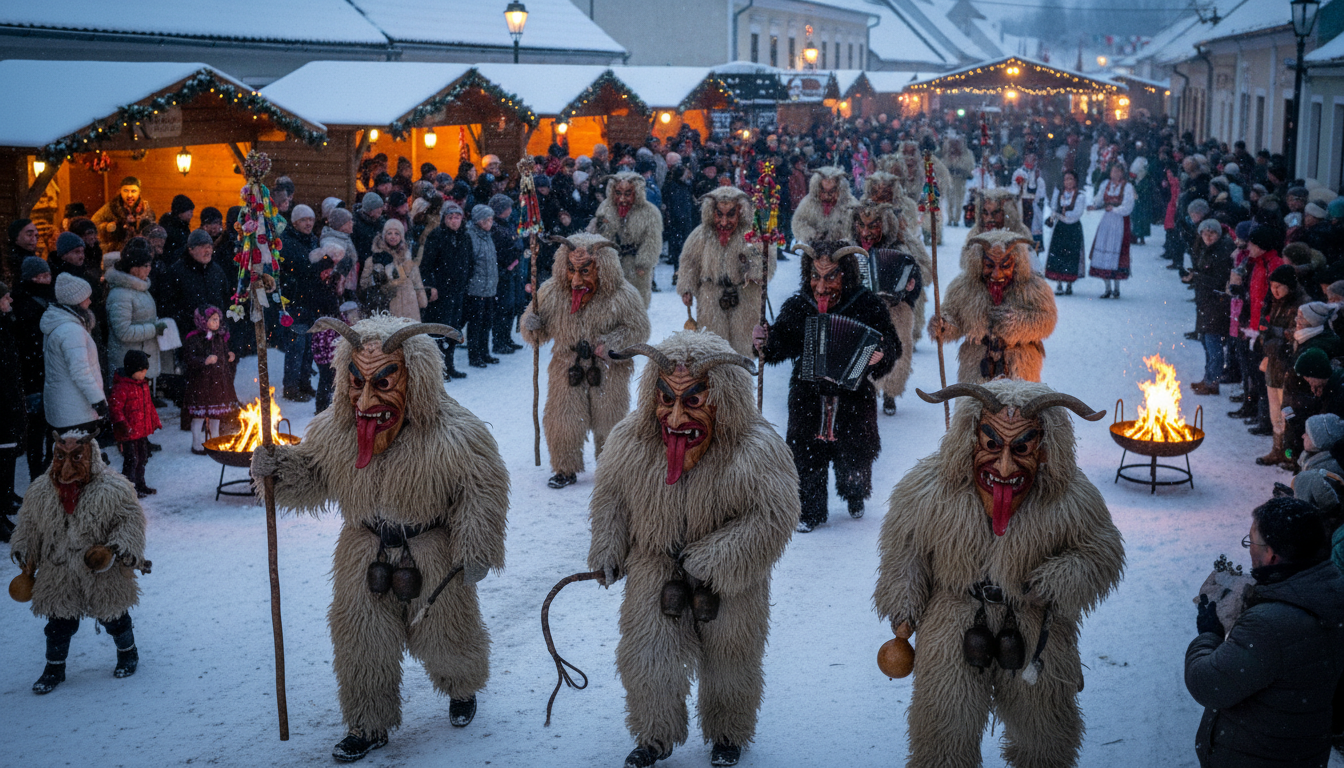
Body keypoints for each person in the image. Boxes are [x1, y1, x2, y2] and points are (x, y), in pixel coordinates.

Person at [250, 316, 507, 763]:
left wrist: (476, 548)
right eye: (356, 382)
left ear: (416, 380)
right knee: (361, 641)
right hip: (363, 551)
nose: (366, 399)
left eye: (384, 382)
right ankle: (367, 723)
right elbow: (312, 475)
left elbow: (481, 491)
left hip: (432, 550)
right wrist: (278, 470)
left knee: (446, 635)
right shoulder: (335, 430)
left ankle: (461, 686)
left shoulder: (457, 434)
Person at [875, 381, 1124, 768]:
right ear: (969, 438)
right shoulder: (929, 489)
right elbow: (905, 550)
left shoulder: (1070, 497)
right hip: (952, 622)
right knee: (943, 732)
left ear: (1046, 448)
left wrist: (1056, 580)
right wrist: (904, 603)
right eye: (992, 444)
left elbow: (1101, 552)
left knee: (1044, 735)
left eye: (1022, 448)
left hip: (1034, 627)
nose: (1005, 466)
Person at [588, 332, 799, 768]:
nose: (676, 416)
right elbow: (611, 500)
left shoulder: (756, 448)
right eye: (666, 399)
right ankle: (654, 734)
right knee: (647, 654)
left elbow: (772, 517)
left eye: (694, 400)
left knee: (731, 658)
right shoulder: (630, 441)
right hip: (655, 565)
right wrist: (608, 547)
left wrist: (717, 557)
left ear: (725, 399)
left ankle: (728, 733)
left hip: (731, 581)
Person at [1186, 497, 1344, 768]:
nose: (1249, 549)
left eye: (1251, 541)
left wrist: (1208, 634)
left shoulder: (1269, 625)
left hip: (1253, 757)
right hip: (1303, 752)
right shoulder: (1333, 592)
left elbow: (1206, 684)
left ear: (1271, 555)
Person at [757, 242, 899, 531]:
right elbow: (780, 344)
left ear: (846, 274)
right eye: (815, 276)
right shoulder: (800, 305)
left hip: (854, 395)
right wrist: (765, 341)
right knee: (806, 453)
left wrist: (881, 355)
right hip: (807, 394)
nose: (821, 287)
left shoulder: (867, 304)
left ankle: (854, 492)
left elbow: (892, 344)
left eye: (831, 277)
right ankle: (809, 510)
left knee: (855, 453)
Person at [10, 431, 147, 695]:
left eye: (76, 457)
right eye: (60, 457)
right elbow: (29, 524)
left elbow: (130, 521)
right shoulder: (41, 491)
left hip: (101, 569)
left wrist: (114, 548)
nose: (66, 467)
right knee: (58, 621)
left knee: (114, 615)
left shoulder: (113, 489)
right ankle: (54, 668)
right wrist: (25, 551)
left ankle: (128, 652)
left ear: (91, 456)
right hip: (58, 567)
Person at [520, 234, 651, 489]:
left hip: (609, 368)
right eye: (571, 270)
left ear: (603, 269)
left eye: (585, 271)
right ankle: (564, 468)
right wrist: (531, 325)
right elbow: (537, 334)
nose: (576, 280)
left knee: (610, 420)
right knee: (563, 419)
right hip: (566, 365)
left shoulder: (622, 294)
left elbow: (639, 329)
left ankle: (611, 467)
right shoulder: (551, 292)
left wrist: (611, 343)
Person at [930, 230, 1057, 383]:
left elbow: (1047, 320)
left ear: (1017, 263)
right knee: (975, 398)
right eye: (989, 265)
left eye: (1005, 266)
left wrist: (1014, 322)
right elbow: (952, 317)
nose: (996, 274)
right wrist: (943, 326)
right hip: (976, 365)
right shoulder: (963, 288)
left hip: (1020, 366)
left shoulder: (1034, 287)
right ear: (979, 263)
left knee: (1017, 398)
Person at [675, 187, 772, 357]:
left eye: (731, 214)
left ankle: (742, 372)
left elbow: (766, 262)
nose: (724, 222)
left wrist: (755, 270)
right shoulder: (701, 235)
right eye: (719, 214)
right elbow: (689, 262)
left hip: (745, 299)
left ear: (740, 212)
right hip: (711, 299)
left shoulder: (752, 235)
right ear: (711, 212)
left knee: (743, 350)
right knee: (712, 352)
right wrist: (687, 287)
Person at [41, 273, 108, 437]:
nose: (90, 301)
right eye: (87, 298)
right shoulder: (71, 331)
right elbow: (80, 371)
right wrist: (98, 400)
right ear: (76, 301)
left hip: (64, 407)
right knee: (78, 451)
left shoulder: (59, 324)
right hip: (75, 411)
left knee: (62, 450)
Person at [1257, 265, 1308, 468]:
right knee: (1275, 412)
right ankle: (1277, 449)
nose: (1274, 290)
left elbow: (1297, 333)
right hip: (1274, 364)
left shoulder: (1302, 304)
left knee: (1289, 414)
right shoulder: (1275, 302)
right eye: (1272, 286)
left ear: (1289, 286)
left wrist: (1275, 333)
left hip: (1289, 367)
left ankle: (1290, 453)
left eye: (1279, 286)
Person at [588, 171, 663, 307]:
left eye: (628, 194)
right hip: (611, 265)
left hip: (634, 265)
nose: (622, 198)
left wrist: (644, 263)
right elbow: (597, 235)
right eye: (618, 193)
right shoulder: (606, 207)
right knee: (609, 305)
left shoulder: (650, 212)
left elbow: (652, 241)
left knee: (635, 304)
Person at [418, 202, 472, 380]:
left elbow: (470, 262)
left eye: (457, 217)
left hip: (458, 290)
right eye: (450, 217)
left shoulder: (465, 237)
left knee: (453, 330)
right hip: (441, 291)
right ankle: (437, 368)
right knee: (439, 330)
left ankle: (449, 365)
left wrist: (466, 281)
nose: (454, 221)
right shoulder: (436, 236)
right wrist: (431, 286)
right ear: (444, 219)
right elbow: (426, 265)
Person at [1185, 219, 1235, 395]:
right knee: (1207, 342)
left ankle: (1212, 381)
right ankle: (1208, 378)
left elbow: (1219, 281)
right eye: (1205, 234)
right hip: (1207, 302)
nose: (1208, 237)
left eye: (1212, 233)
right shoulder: (1206, 249)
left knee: (1213, 343)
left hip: (1217, 303)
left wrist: (1197, 276)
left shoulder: (1221, 252)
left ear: (1218, 234)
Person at [14, 257, 53, 478]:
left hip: (43, 369)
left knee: (47, 424)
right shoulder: (25, 304)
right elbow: (27, 341)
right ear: (33, 277)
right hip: (34, 372)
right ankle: (37, 473)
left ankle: (46, 465)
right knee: (37, 426)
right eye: (43, 276)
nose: (48, 279)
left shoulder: (45, 300)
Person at [280, 204, 322, 402]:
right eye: (304, 220)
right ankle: (291, 387)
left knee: (309, 347)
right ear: (295, 222)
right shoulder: (287, 242)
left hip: (312, 300)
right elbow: (301, 267)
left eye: (311, 220)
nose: (308, 223)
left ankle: (304, 383)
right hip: (295, 300)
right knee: (296, 346)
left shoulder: (313, 241)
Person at [182, 306, 237, 455]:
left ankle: (215, 440)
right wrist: (204, 361)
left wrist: (229, 355)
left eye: (218, 320)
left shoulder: (220, 337)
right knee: (199, 416)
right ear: (203, 320)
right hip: (201, 383)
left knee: (216, 414)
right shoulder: (195, 338)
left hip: (217, 383)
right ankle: (197, 443)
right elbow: (189, 358)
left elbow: (223, 353)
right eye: (213, 319)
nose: (216, 322)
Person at [109, 349, 160, 498]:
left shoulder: (143, 385)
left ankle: (140, 484)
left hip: (141, 432)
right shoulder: (122, 387)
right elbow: (115, 408)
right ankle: (128, 489)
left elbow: (148, 406)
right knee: (131, 460)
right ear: (132, 370)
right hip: (128, 433)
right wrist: (122, 424)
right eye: (141, 371)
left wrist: (154, 422)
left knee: (142, 457)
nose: (144, 374)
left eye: (145, 371)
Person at [1088, 162, 1135, 299]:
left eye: (1117, 172)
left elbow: (1128, 206)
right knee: (1104, 249)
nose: (1114, 174)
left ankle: (1117, 287)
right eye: (1113, 171)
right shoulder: (1106, 184)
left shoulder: (1127, 187)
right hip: (1107, 221)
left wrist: (1115, 209)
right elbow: (1099, 199)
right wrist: (1095, 206)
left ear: (1122, 173)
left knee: (1116, 252)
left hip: (1120, 221)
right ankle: (1107, 287)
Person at [0, 279, 24, 537]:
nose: (10, 300)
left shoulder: (5, 325)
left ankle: (5, 501)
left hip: (9, 400)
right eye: (5, 297)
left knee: (7, 454)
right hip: (4, 402)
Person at [463, 205, 499, 368]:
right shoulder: (470, 236)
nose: (490, 223)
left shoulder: (488, 236)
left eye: (491, 220)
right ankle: (474, 355)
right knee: (475, 323)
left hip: (489, 287)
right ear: (479, 221)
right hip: (476, 288)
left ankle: (485, 352)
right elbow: (470, 263)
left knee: (487, 322)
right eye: (487, 220)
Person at [1044, 170, 1087, 294]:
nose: (1068, 182)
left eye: (1070, 179)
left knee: (1071, 255)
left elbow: (1077, 213)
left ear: (1075, 181)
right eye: (1066, 179)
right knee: (1058, 255)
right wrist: (1056, 215)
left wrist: (1063, 213)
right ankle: (1059, 283)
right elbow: (1054, 207)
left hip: (1073, 228)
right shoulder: (1058, 194)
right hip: (1061, 227)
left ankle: (1069, 283)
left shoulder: (1080, 196)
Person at [791, 167, 857, 245]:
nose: (826, 196)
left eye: (832, 191)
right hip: (813, 246)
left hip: (841, 248)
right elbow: (798, 222)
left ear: (840, 189)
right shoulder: (809, 202)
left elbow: (855, 232)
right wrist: (813, 235)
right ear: (816, 187)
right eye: (823, 190)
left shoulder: (850, 205)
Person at [92, 176, 155, 253]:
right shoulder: (111, 207)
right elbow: (93, 224)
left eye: (133, 191)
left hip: (140, 250)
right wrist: (106, 227)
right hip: (116, 251)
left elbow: (153, 229)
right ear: (120, 191)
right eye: (125, 191)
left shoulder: (145, 209)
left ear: (139, 192)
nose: (129, 195)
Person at [158, 194, 194, 263]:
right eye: (189, 212)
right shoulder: (172, 228)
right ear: (180, 213)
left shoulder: (182, 225)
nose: (192, 215)